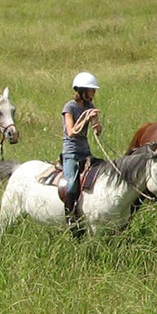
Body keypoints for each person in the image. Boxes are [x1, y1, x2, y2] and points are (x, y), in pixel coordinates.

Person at [61, 72, 103, 221]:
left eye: (94, 91)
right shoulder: (69, 107)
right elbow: (71, 132)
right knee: (71, 184)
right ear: (81, 90)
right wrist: (86, 117)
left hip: (85, 150)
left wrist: (97, 125)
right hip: (71, 151)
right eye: (91, 91)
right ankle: (70, 216)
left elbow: (96, 129)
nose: (93, 94)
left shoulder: (89, 106)